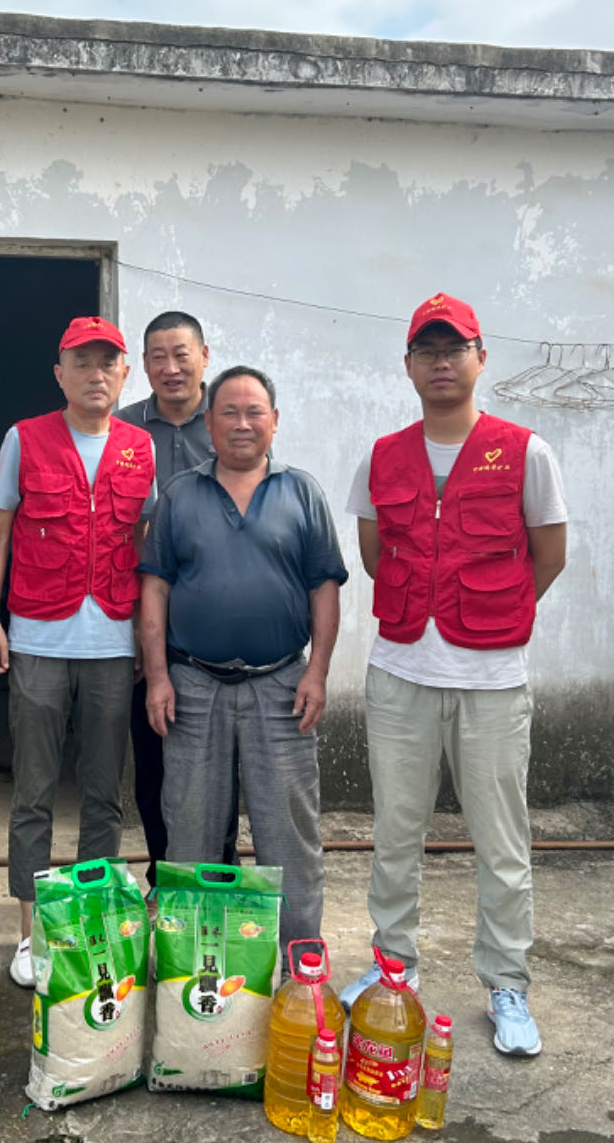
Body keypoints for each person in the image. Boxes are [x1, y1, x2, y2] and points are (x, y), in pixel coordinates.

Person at [339, 293, 567, 1059]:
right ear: (408, 365)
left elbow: (548, 557)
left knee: (501, 843)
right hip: (401, 670)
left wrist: (490, 612)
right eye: (428, 350)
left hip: (492, 679)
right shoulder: (381, 456)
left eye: (455, 347)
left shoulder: (525, 452)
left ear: (480, 358)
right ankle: (391, 969)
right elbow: (376, 556)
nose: (442, 362)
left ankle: (506, 983)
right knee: (394, 834)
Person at [138, 365, 347, 957]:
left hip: (281, 685)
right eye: (228, 412)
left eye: (255, 412)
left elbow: (324, 587)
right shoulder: (180, 494)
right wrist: (157, 676)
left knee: (289, 834)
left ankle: (300, 966)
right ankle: (190, 970)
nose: (242, 423)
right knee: (190, 831)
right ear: (209, 423)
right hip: (193, 684)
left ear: (274, 421)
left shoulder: (302, 491)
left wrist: (317, 673)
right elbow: (155, 587)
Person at [0, 316, 157, 988]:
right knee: (34, 792)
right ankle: (32, 934)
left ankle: (92, 923)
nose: (95, 374)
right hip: (38, 639)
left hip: (112, 642)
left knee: (105, 794)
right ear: (60, 374)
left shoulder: (140, 447)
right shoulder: (24, 439)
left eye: (107, 362)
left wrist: (146, 636)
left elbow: (147, 547)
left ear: (124, 374)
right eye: (82, 362)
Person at [114, 310, 237, 891]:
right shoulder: (122, 430)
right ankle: (164, 879)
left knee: (221, 768)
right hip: (146, 620)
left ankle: (219, 880)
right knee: (155, 761)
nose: (171, 367)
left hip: (216, 622)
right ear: (143, 365)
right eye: (158, 356)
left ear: (204, 357)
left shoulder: (230, 423)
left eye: (181, 354)